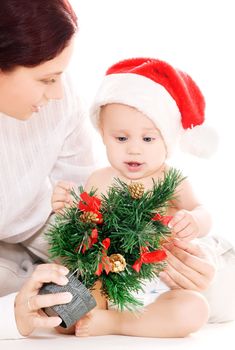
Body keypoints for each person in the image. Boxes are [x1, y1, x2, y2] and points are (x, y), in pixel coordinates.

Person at [52, 57, 220, 338]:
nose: (134, 150)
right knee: (66, 312)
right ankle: (99, 314)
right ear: (103, 136)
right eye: (121, 139)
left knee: (194, 309)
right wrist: (67, 209)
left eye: (147, 139)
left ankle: (118, 323)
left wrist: (194, 220)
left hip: (160, 284)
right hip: (109, 279)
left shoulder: (172, 180)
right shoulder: (99, 180)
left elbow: (202, 211)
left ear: (167, 139)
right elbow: (82, 233)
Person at [0, 0, 95, 339]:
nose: (57, 92)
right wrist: (12, 315)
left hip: (45, 225)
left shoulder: (61, 95)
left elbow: (84, 185)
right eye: (47, 79)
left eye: (60, 76)